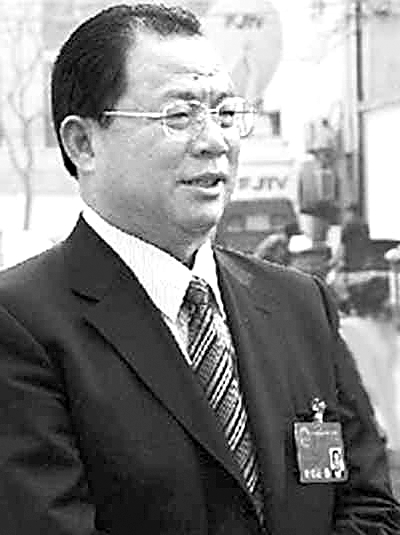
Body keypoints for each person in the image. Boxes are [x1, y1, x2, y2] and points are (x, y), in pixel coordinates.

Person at [0, 4, 398, 535]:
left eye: (226, 114)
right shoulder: (21, 324)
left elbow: (370, 506)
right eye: (179, 116)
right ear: (83, 143)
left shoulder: (300, 303)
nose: (214, 141)